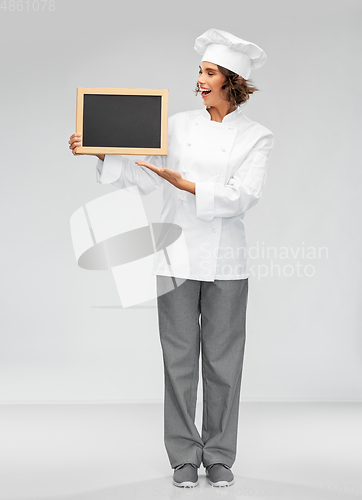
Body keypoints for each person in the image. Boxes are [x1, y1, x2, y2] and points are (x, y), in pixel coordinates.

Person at [68, 28, 274, 488]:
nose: (199, 80)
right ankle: (184, 455)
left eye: (209, 72)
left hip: (227, 262)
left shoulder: (257, 137)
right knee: (178, 358)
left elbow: (244, 197)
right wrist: (101, 150)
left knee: (224, 360)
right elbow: (145, 176)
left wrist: (188, 186)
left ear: (231, 80)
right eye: (199, 71)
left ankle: (219, 453)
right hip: (175, 257)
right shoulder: (177, 124)